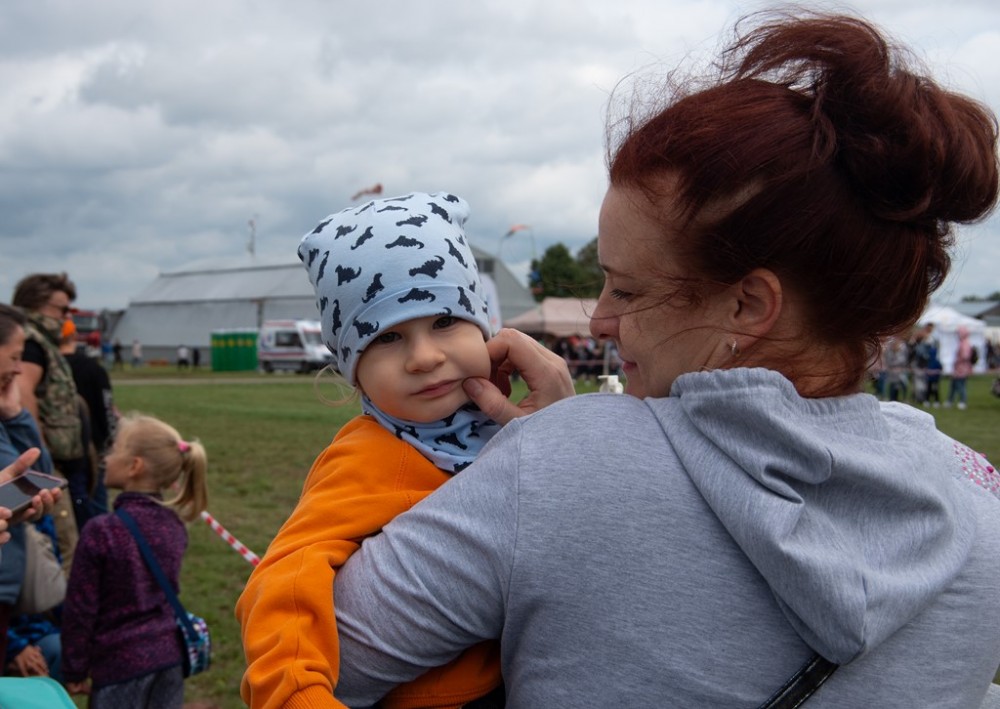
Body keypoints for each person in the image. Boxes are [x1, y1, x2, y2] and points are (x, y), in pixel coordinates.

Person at [328, 13, 1000, 708]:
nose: (601, 319)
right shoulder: (977, 497)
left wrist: (553, 458)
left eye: (626, 288)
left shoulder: (557, 463)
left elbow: (320, 660)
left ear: (748, 305)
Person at [236, 191, 503, 709]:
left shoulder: (507, 427)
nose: (424, 357)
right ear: (351, 368)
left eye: (444, 321)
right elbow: (286, 582)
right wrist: (297, 695)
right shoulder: (369, 457)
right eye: (386, 338)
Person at [61, 413, 208, 708]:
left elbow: (80, 608)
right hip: (169, 659)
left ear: (135, 466)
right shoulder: (173, 526)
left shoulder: (101, 531)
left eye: (114, 449)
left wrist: (74, 668)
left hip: (118, 667)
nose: (105, 457)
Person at [0, 304, 63, 661]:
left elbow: (41, 473)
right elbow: (29, 475)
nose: (19, 369)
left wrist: (14, 414)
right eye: (14, 356)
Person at [11, 273, 87, 554]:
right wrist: (40, 457)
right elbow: (23, 395)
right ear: (36, 305)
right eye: (62, 310)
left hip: (52, 461)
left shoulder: (41, 342)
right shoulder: (31, 344)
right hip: (45, 463)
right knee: (65, 547)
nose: (67, 318)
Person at [59, 320, 113, 521]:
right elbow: (106, 409)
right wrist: (108, 442)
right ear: (74, 336)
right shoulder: (93, 369)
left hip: (58, 451)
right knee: (95, 504)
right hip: (92, 448)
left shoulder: (48, 368)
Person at [946, 325, 975, 409]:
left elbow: (965, 356)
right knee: (954, 385)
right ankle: (950, 401)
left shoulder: (964, 344)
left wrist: (958, 360)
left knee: (960, 385)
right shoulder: (964, 343)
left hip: (961, 368)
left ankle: (962, 401)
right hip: (959, 368)